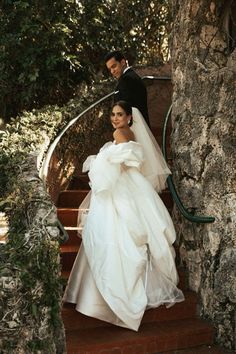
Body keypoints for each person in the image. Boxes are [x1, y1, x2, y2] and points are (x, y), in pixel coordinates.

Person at [63, 101, 184, 331]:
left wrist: (99, 162)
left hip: (120, 188)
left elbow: (112, 170)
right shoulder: (130, 133)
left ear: (129, 117)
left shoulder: (120, 133)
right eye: (113, 114)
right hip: (132, 186)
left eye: (120, 114)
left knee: (112, 236)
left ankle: (108, 297)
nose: (115, 118)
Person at [105, 50, 150, 126]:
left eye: (114, 66)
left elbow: (126, 109)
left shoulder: (128, 80)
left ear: (122, 62)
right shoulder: (131, 77)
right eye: (110, 69)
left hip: (134, 128)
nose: (112, 71)